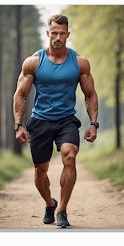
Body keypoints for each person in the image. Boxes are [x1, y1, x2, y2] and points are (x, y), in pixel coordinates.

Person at [13, 14, 99, 229]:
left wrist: (93, 123)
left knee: (69, 155)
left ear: (68, 34)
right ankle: (49, 203)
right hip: (40, 120)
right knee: (40, 169)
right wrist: (19, 124)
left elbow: (90, 94)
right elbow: (20, 94)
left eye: (62, 33)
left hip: (66, 120)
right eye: (54, 33)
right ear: (48, 33)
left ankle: (62, 209)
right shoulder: (34, 62)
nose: (58, 37)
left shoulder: (79, 62)